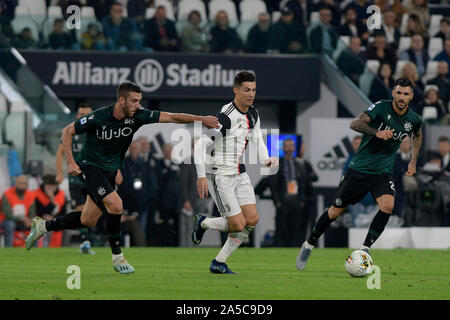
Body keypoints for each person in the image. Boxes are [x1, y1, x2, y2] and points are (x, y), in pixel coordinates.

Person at [25, 81, 219, 274]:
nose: (138, 105)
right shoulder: (99, 116)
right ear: (121, 100)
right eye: (134, 101)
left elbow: (171, 117)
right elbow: (67, 131)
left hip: (109, 171)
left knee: (88, 220)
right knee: (116, 205)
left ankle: (42, 226)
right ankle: (118, 258)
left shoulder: (138, 116)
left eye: (139, 101)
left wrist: (200, 119)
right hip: (90, 167)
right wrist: (71, 162)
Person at [296, 77, 423, 270]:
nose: (401, 97)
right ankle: (309, 244)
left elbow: (418, 134)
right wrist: (376, 132)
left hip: (382, 172)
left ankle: (365, 248)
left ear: (411, 96)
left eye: (406, 94)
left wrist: (413, 161)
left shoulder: (413, 119)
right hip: (359, 170)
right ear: (393, 93)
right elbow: (355, 124)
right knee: (334, 212)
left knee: (388, 205)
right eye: (398, 92)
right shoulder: (381, 108)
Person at [192, 71, 278, 274]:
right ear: (236, 90)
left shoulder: (253, 113)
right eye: (246, 90)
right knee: (237, 224)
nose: (251, 94)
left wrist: (265, 159)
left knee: (252, 220)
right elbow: (198, 146)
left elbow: (257, 138)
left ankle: (219, 262)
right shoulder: (226, 118)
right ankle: (204, 222)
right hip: (219, 174)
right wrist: (201, 175)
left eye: (254, 90)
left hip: (239, 172)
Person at [55, 103, 96, 254]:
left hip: (93, 177)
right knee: (82, 209)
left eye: (87, 114)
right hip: (75, 179)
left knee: (91, 212)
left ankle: (88, 239)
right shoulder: (70, 131)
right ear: (77, 116)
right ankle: (86, 241)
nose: (83, 117)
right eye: (81, 114)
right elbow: (60, 153)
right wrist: (59, 173)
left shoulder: (95, 131)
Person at [270, 139, 318, 246]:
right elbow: (273, 184)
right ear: (283, 148)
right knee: (281, 226)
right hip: (283, 200)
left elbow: (302, 184)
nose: (289, 148)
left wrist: (302, 200)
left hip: (296, 200)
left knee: (297, 227)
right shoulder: (277, 164)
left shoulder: (298, 164)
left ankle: (295, 249)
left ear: (294, 148)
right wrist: (276, 201)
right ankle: (280, 250)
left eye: (291, 146)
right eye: (287, 146)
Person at [117, 141, 148, 246]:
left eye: (136, 148)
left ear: (139, 150)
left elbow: (150, 184)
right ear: (129, 149)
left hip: (142, 204)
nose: (134, 150)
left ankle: (140, 251)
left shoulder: (145, 164)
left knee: (141, 228)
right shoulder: (123, 163)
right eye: (132, 148)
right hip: (125, 205)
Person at [0, 175, 36, 247]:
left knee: (35, 225)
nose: (22, 185)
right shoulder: (7, 194)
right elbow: (7, 214)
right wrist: (22, 219)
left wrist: (30, 221)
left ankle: (33, 249)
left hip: (24, 221)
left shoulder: (31, 195)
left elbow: (32, 213)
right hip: (5, 221)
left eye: (25, 183)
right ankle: (9, 248)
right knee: (10, 224)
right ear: (15, 183)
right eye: (20, 183)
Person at [35, 174, 66, 247]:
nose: (51, 188)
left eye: (53, 185)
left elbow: (63, 212)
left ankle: (64, 249)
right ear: (44, 185)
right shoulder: (37, 194)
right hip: (39, 220)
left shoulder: (61, 194)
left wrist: (52, 199)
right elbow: (40, 211)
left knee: (66, 227)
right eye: (48, 185)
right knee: (47, 225)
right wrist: (51, 201)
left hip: (56, 220)